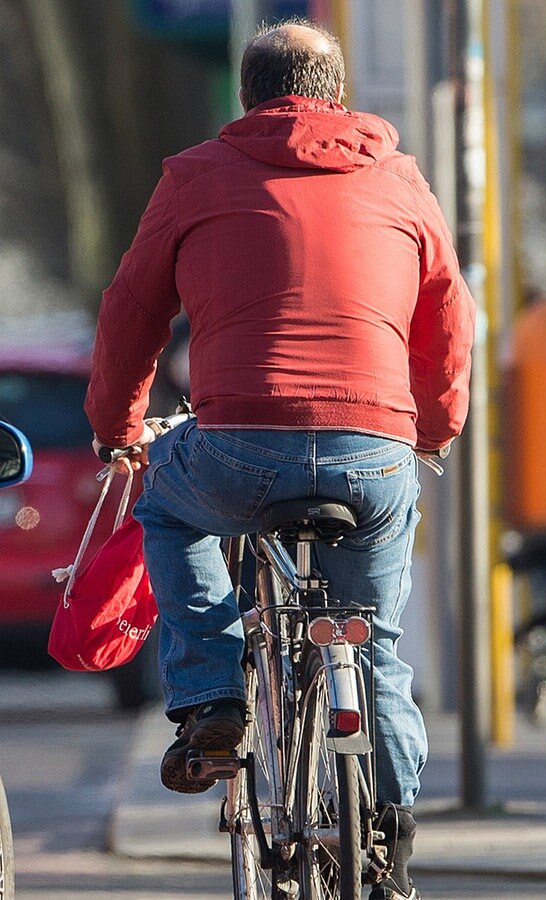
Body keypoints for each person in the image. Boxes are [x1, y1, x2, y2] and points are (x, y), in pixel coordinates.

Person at [85, 19, 475, 900]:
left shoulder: (193, 177)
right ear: (337, 92)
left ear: (247, 92)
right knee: (374, 647)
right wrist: (434, 429)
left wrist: (119, 429)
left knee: (169, 508)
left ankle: (215, 700)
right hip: (373, 451)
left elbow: (130, 313)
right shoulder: (402, 180)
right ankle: (393, 839)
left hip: (233, 446)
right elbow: (449, 319)